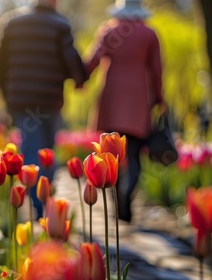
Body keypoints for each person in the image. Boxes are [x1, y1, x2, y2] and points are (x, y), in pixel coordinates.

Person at [0, 0, 87, 219]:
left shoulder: (12, 23)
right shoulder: (59, 24)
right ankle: (42, 202)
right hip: (49, 98)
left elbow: (0, 63)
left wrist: (6, 93)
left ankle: (38, 203)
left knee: (31, 146)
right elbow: (70, 59)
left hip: (21, 99)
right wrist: (80, 78)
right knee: (47, 150)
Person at [84, 0, 165, 222]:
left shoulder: (109, 30)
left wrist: (80, 79)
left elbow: (93, 60)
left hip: (111, 98)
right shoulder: (149, 34)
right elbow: (157, 70)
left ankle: (117, 202)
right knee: (134, 155)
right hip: (139, 100)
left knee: (110, 157)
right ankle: (127, 197)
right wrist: (159, 98)